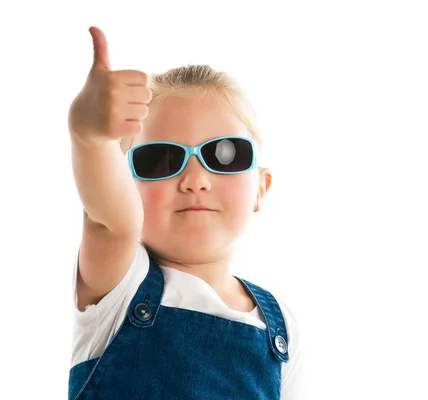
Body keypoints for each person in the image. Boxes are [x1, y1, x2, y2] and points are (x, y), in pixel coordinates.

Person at [67, 26, 304, 399]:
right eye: (160, 159)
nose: (195, 180)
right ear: (126, 188)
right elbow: (108, 222)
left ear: (261, 188)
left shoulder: (281, 327)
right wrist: (90, 138)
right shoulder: (121, 283)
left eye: (225, 154)